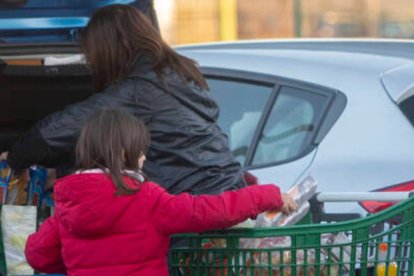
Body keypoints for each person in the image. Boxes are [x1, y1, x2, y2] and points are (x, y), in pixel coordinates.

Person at [3, 4, 248, 195]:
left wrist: (13, 158)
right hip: (225, 194)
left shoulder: (138, 91)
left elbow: (53, 133)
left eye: (92, 54)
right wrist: (67, 170)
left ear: (109, 48)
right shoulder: (177, 76)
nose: (91, 62)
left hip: (196, 209)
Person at [24, 109, 297, 276]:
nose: (143, 158)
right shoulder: (145, 198)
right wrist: (267, 195)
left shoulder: (68, 206)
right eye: (141, 150)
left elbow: (37, 255)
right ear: (124, 152)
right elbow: (207, 211)